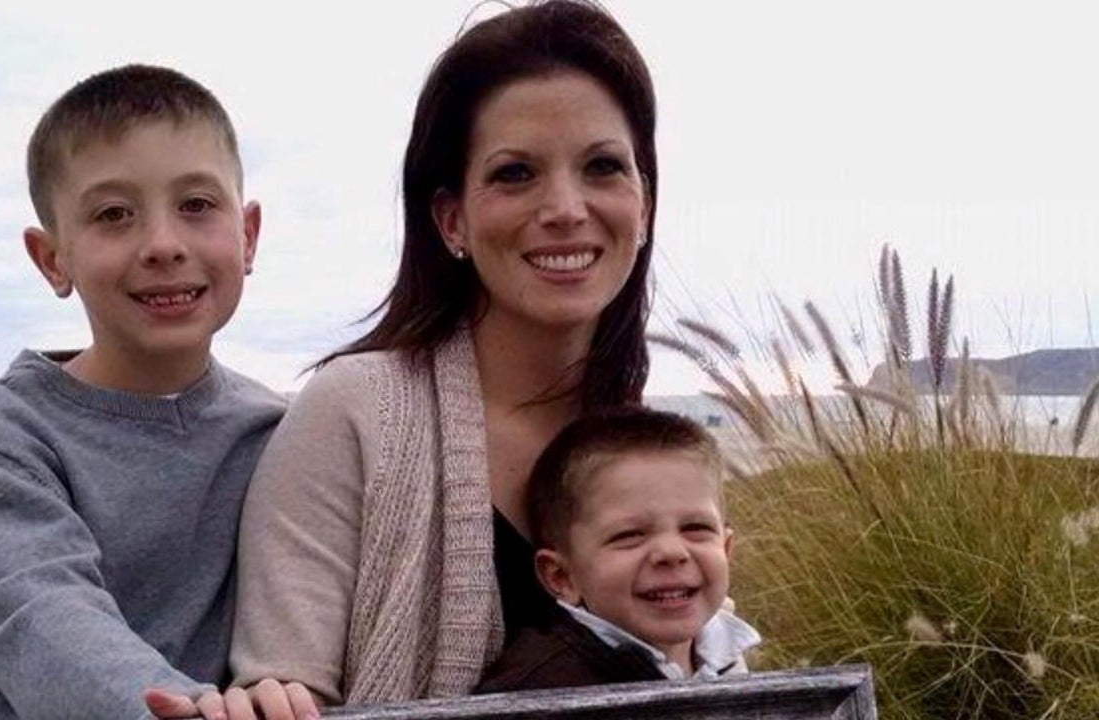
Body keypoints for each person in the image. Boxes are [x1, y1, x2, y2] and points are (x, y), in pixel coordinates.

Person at [147, 1, 659, 717]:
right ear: (451, 220)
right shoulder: (355, 413)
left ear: (644, 204)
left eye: (603, 167)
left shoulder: (646, 448)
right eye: (516, 173)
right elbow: (286, 689)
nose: (566, 207)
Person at [0, 64, 284, 720]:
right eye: (113, 214)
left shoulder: (274, 431)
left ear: (247, 236)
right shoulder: (8, 439)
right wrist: (183, 709)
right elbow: (42, 619)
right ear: (52, 259)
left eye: (196, 205)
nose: (163, 245)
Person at [475, 409, 761, 692]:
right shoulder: (539, 691)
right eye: (629, 535)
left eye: (695, 527)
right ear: (562, 577)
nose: (672, 552)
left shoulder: (728, 656)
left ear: (726, 550)